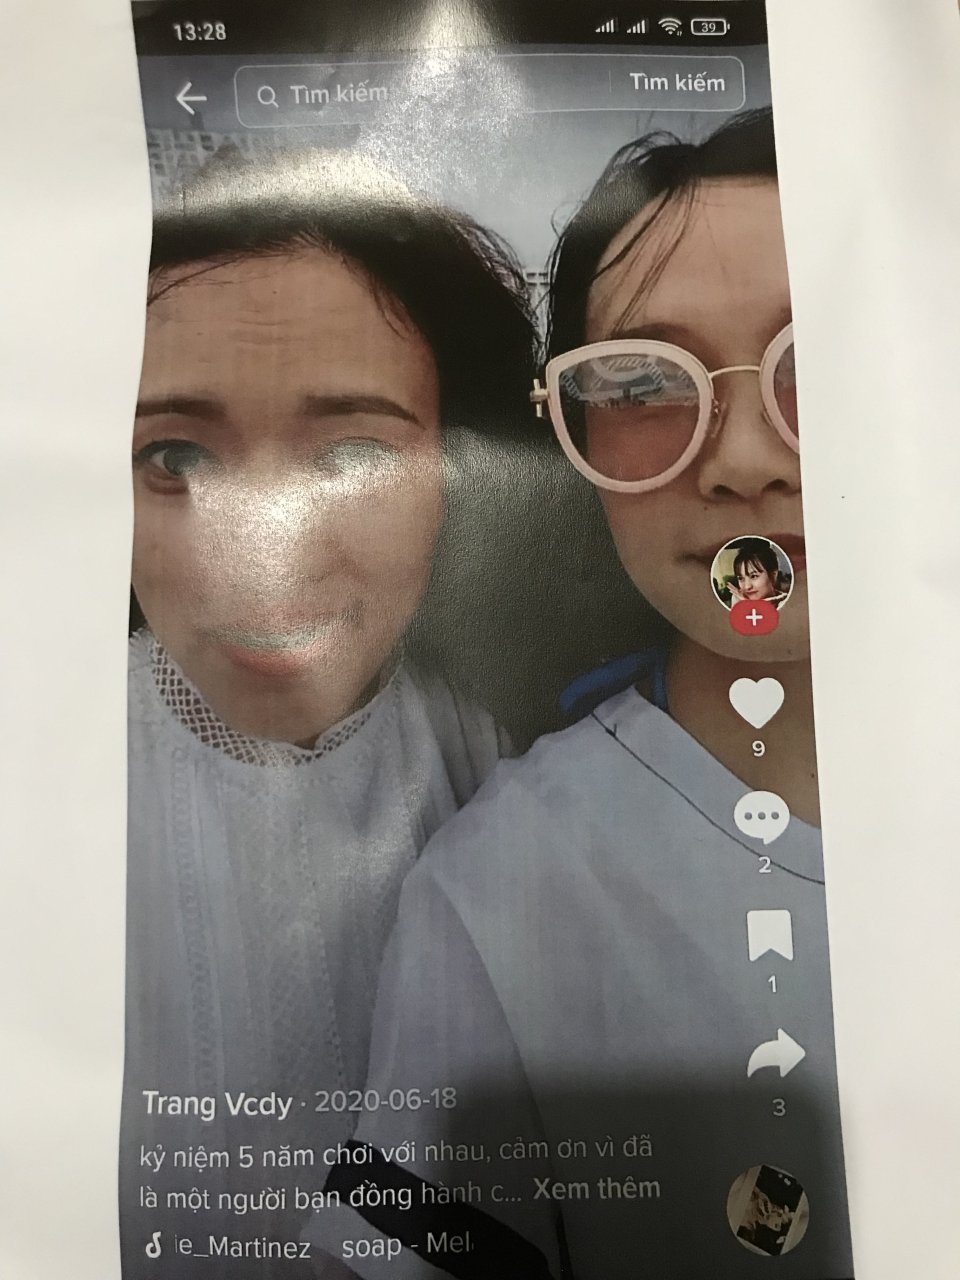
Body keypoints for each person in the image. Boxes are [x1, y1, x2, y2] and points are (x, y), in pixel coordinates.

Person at [308, 111, 853, 1280]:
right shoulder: (503, 890)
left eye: (831, 359)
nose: (744, 457)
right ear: (566, 438)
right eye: (644, 382)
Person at [120, 150, 542, 1278]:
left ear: (462, 472)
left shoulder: (499, 763)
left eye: (355, 452)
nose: (262, 555)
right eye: (173, 455)